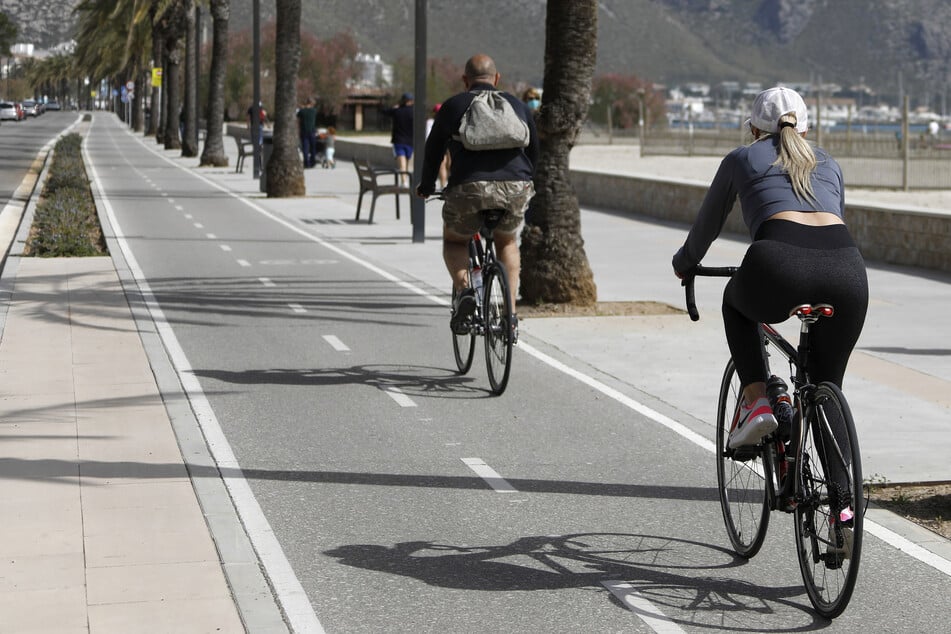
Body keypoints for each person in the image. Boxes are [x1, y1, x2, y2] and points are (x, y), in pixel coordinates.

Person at [672, 86, 868, 454]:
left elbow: (707, 226)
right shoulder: (829, 163)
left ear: (754, 131)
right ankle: (843, 509)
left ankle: (758, 402)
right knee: (827, 391)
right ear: (805, 131)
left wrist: (685, 263)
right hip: (848, 271)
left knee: (734, 302)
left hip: (777, 262)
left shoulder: (741, 158)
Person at [415, 54, 539, 336]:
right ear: (497, 79)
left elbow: (433, 150)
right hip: (515, 188)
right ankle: (510, 315)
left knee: (455, 240)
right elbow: (534, 150)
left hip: (468, 188)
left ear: (465, 81)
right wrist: (528, 182)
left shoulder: (455, 105)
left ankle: (465, 290)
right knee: (506, 241)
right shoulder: (517, 105)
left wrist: (425, 186)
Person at [384, 92, 415, 185]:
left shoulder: (397, 111)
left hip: (399, 141)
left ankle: (404, 181)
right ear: (411, 101)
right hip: (411, 141)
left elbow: (384, 111)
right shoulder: (414, 112)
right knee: (407, 162)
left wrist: (395, 107)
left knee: (402, 163)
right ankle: (406, 179)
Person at [297, 98, 319, 168]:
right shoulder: (314, 111)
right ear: (312, 104)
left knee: (305, 148)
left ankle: (306, 163)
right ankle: (313, 162)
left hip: (304, 131)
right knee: (313, 147)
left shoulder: (301, 111)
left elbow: (298, 120)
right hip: (312, 131)